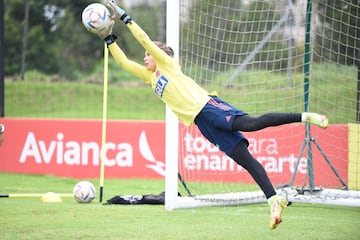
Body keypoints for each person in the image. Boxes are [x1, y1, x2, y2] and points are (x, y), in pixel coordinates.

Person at [93, 0, 328, 230]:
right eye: (144, 55)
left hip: (209, 108)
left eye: (147, 55)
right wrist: (107, 37)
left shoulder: (167, 64)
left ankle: (305, 116)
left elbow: (144, 38)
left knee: (252, 124)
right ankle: (274, 200)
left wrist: (126, 17)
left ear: (159, 55)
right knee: (244, 159)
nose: (144, 58)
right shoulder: (150, 77)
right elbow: (123, 62)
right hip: (202, 122)